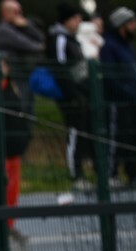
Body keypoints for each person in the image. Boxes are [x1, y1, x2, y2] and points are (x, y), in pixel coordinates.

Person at [0, 59, 32, 242]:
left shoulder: (12, 86)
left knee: (12, 187)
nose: (3, 69)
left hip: (13, 146)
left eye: (4, 65)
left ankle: (8, 225)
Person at [47, 2, 92, 190]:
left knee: (84, 130)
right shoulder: (60, 39)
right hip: (70, 96)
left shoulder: (73, 39)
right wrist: (71, 93)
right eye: (75, 18)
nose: (79, 22)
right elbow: (60, 68)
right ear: (67, 20)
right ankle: (76, 174)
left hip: (81, 94)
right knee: (74, 132)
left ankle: (85, 171)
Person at [100, 7, 136, 188]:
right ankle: (111, 174)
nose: (135, 26)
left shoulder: (128, 47)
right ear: (121, 26)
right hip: (118, 101)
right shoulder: (109, 46)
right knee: (118, 137)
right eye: (131, 23)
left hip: (133, 101)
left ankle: (133, 174)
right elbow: (109, 76)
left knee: (134, 138)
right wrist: (126, 91)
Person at [0, 0, 45, 113]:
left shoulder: (20, 27)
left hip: (25, 74)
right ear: (5, 12)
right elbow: (26, 44)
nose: (19, 15)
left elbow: (40, 38)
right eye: (15, 12)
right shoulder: (3, 30)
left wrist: (27, 26)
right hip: (13, 76)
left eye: (20, 11)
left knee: (29, 107)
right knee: (20, 108)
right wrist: (39, 46)